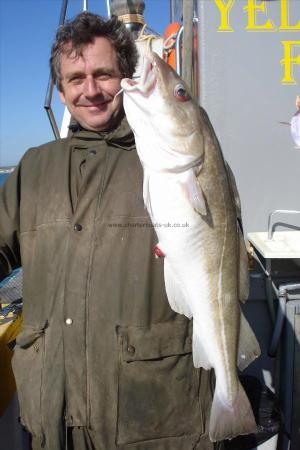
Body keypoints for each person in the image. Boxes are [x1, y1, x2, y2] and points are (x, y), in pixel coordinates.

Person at [1, 12, 216, 450]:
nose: (90, 89)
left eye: (103, 73)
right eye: (75, 77)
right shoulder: (33, 168)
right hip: (49, 419)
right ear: (60, 91)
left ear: (126, 78)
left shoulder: (168, 156)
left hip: (153, 416)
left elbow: (220, 252)